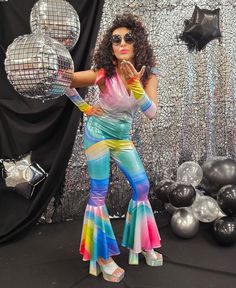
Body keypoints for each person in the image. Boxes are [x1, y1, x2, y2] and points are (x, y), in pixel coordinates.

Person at [65, 13, 162, 283]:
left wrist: (135, 85)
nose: (121, 43)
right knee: (99, 191)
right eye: (115, 39)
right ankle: (102, 255)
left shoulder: (148, 75)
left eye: (128, 38)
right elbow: (66, 80)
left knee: (142, 187)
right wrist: (85, 107)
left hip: (121, 138)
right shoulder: (103, 73)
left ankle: (141, 243)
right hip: (97, 136)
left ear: (138, 44)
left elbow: (151, 112)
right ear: (110, 46)